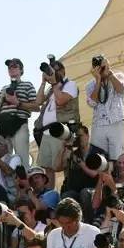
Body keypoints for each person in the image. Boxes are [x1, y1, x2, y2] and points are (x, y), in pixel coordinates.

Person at [35, 58, 81, 188]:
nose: (51, 74)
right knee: (48, 167)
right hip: (46, 131)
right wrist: (43, 82)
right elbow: (38, 101)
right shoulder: (51, 88)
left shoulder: (70, 84)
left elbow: (60, 100)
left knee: (62, 164)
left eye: (54, 71)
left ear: (62, 71)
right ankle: (49, 195)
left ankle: (68, 189)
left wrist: (55, 83)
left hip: (61, 130)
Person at [0, 58, 37, 169]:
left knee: (22, 160)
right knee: (2, 159)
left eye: (15, 66)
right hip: (3, 126)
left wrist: (17, 103)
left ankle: (25, 184)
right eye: (10, 67)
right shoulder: (4, 88)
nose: (11, 69)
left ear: (21, 70)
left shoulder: (27, 85)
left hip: (19, 124)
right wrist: (2, 98)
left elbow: (36, 107)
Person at [86, 55, 124, 161]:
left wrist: (109, 74)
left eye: (104, 65)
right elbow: (92, 102)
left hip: (116, 122)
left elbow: (121, 90)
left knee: (118, 158)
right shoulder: (90, 85)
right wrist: (98, 80)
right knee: (99, 159)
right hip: (98, 125)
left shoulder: (118, 76)